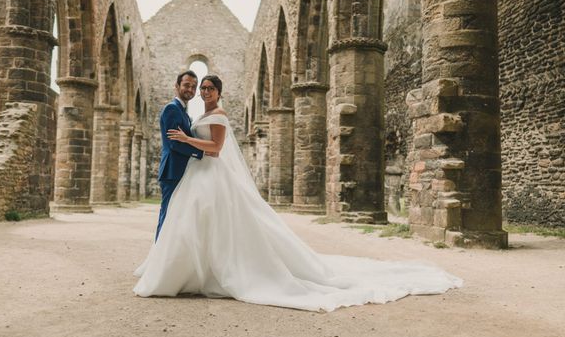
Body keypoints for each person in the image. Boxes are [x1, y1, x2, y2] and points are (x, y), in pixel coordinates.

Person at [134, 75, 462, 312]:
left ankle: (211, 271)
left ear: (219, 92)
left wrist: (190, 141)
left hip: (211, 172)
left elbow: (216, 149)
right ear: (185, 88)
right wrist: (191, 143)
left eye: (208, 87)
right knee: (197, 222)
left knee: (220, 222)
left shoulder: (217, 115)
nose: (202, 91)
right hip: (200, 176)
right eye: (199, 87)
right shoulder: (200, 114)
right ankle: (194, 272)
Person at [154, 70, 204, 241]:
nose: (190, 89)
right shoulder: (172, 109)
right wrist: (201, 152)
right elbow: (174, 143)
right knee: (167, 214)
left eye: (193, 87)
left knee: (177, 216)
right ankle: (158, 256)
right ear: (177, 86)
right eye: (186, 85)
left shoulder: (184, 113)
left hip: (181, 170)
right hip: (172, 170)